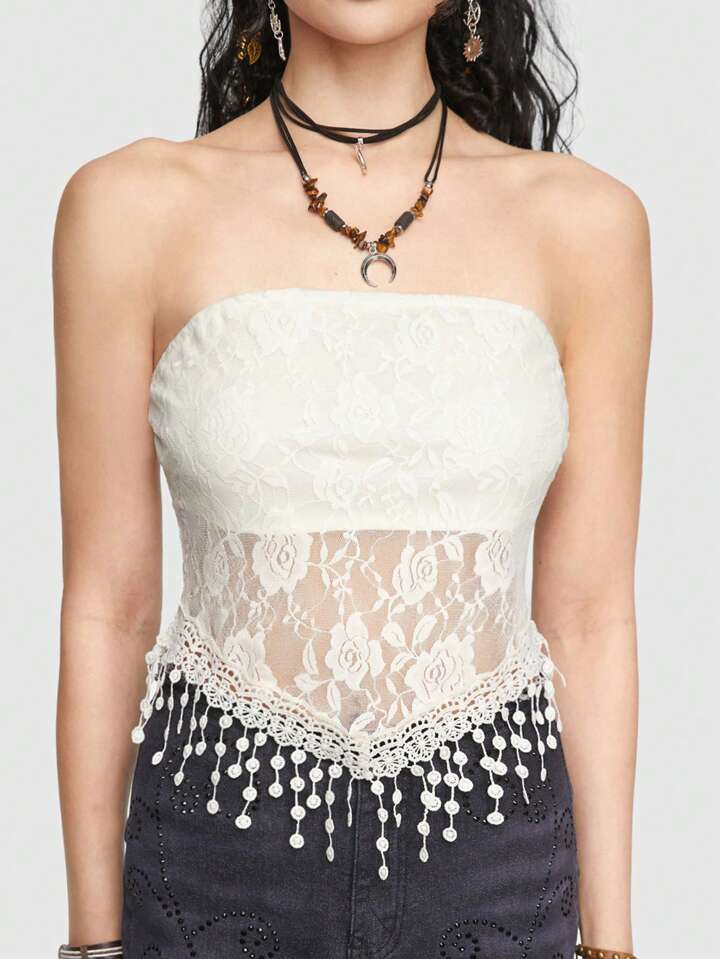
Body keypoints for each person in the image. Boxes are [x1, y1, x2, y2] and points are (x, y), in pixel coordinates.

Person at [53, 2, 652, 958]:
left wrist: (611, 945)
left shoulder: (587, 223)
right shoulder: (129, 208)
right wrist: (92, 945)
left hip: (494, 849)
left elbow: (589, 615)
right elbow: (109, 607)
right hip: (217, 846)